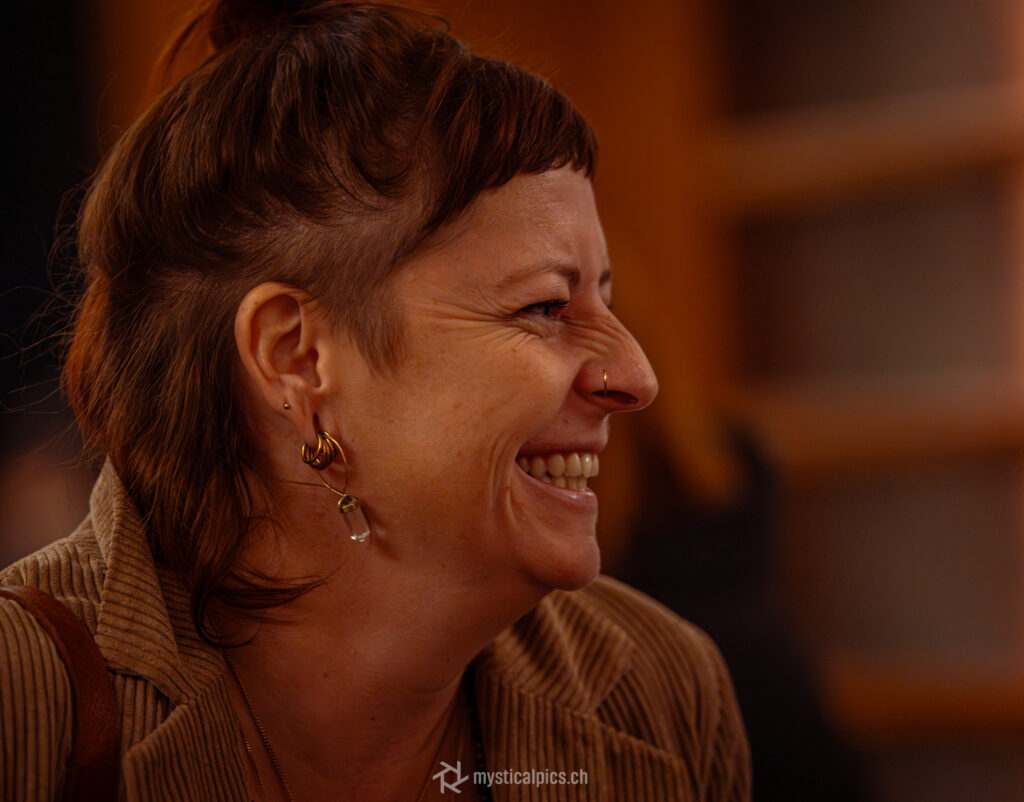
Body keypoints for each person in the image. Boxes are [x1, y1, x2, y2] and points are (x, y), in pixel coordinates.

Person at [0, 2, 751, 799]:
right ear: (296, 357)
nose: (636, 376)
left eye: (608, 301)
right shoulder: (22, 706)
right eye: (545, 306)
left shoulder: (661, 695)